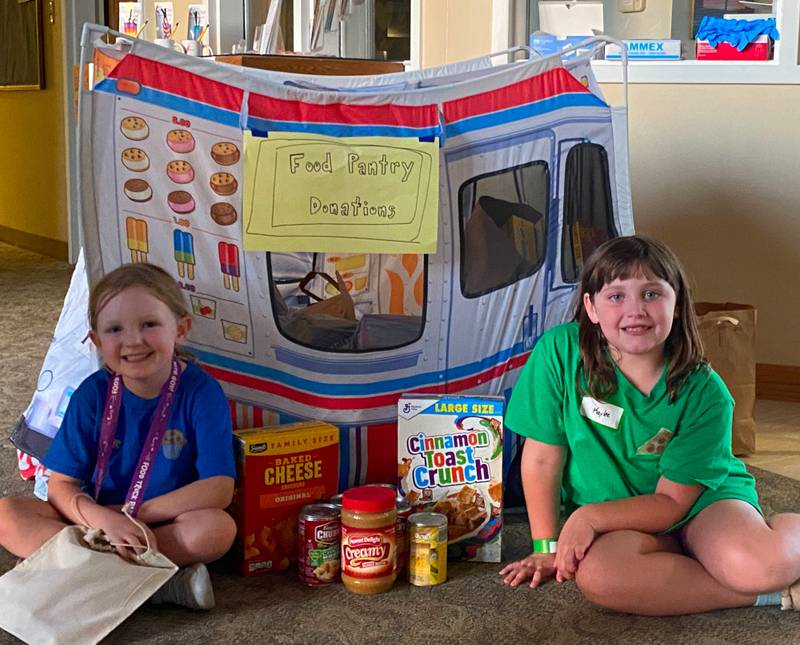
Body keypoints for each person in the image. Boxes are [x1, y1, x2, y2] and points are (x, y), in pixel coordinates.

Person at [500, 235, 800, 615]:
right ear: (590, 307)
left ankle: (777, 544)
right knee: (602, 578)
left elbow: (674, 502)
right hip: (620, 516)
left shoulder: (707, 393)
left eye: (651, 294)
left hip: (700, 503)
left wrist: (587, 518)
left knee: (761, 566)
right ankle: (766, 595)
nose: (635, 310)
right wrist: (547, 547)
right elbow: (542, 459)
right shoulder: (559, 352)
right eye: (616, 296)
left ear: (676, 305)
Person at [0, 263, 237, 610]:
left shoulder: (202, 392)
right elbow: (60, 486)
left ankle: (72, 570)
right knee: (7, 514)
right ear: (96, 341)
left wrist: (132, 515)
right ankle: (156, 588)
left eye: (150, 324)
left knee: (217, 529)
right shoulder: (92, 395)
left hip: (157, 523)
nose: (133, 340)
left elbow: (219, 488)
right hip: (91, 522)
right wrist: (103, 520)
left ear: (181, 328)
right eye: (114, 329)